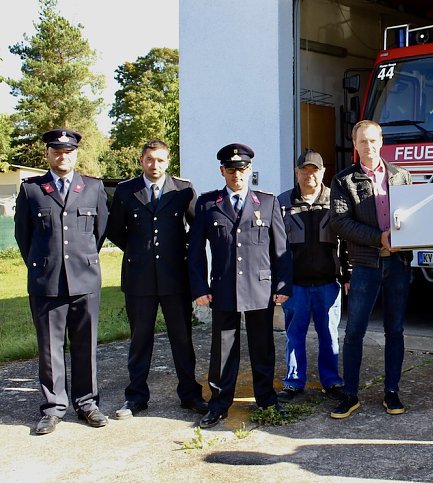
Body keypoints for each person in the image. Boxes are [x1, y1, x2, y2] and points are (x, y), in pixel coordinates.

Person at [188, 143, 293, 429]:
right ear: (222, 171)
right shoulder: (208, 204)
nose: (238, 175)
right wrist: (198, 288)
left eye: (243, 169)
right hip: (223, 288)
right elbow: (195, 250)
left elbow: (280, 248)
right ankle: (219, 404)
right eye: (232, 170)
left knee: (262, 347)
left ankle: (267, 400)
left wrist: (283, 284)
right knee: (223, 350)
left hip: (260, 288)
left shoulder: (267, 203)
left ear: (250, 171)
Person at [14, 129, 110, 434]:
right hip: (46, 281)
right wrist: (45, 265)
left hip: (84, 280)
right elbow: (23, 236)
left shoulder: (93, 187)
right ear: (48, 154)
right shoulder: (31, 190)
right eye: (57, 151)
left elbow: (100, 231)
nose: (63, 156)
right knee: (50, 348)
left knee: (85, 345)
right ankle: (54, 407)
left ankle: (87, 404)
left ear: (76, 154)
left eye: (68, 151)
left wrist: (80, 260)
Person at [105, 139, 208, 420]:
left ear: (168, 161)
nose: (155, 165)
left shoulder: (183, 189)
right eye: (150, 159)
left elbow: (196, 228)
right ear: (141, 161)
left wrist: (178, 250)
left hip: (175, 278)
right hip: (139, 279)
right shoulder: (126, 190)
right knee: (140, 340)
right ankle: (136, 397)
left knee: (182, 340)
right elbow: (116, 231)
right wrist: (141, 252)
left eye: (161, 160)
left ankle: (189, 394)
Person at [329, 120, 412, 419]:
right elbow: (340, 222)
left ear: (381, 141)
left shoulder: (402, 176)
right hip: (365, 265)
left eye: (373, 140)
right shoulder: (343, 181)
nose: (369, 146)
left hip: (398, 264)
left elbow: (413, 216)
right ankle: (350, 394)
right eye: (363, 141)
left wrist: (412, 239)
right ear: (355, 145)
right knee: (354, 332)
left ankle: (392, 391)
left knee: (396, 330)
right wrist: (379, 237)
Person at [276, 150, 350, 403]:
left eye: (314, 170)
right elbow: (273, 246)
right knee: (294, 336)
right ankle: (294, 382)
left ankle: (331, 381)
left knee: (329, 336)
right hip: (294, 285)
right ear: (296, 172)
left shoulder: (336, 200)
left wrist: (347, 275)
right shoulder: (282, 202)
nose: (309, 175)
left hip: (328, 283)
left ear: (323, 172)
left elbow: (348, 241)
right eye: (304, 170)